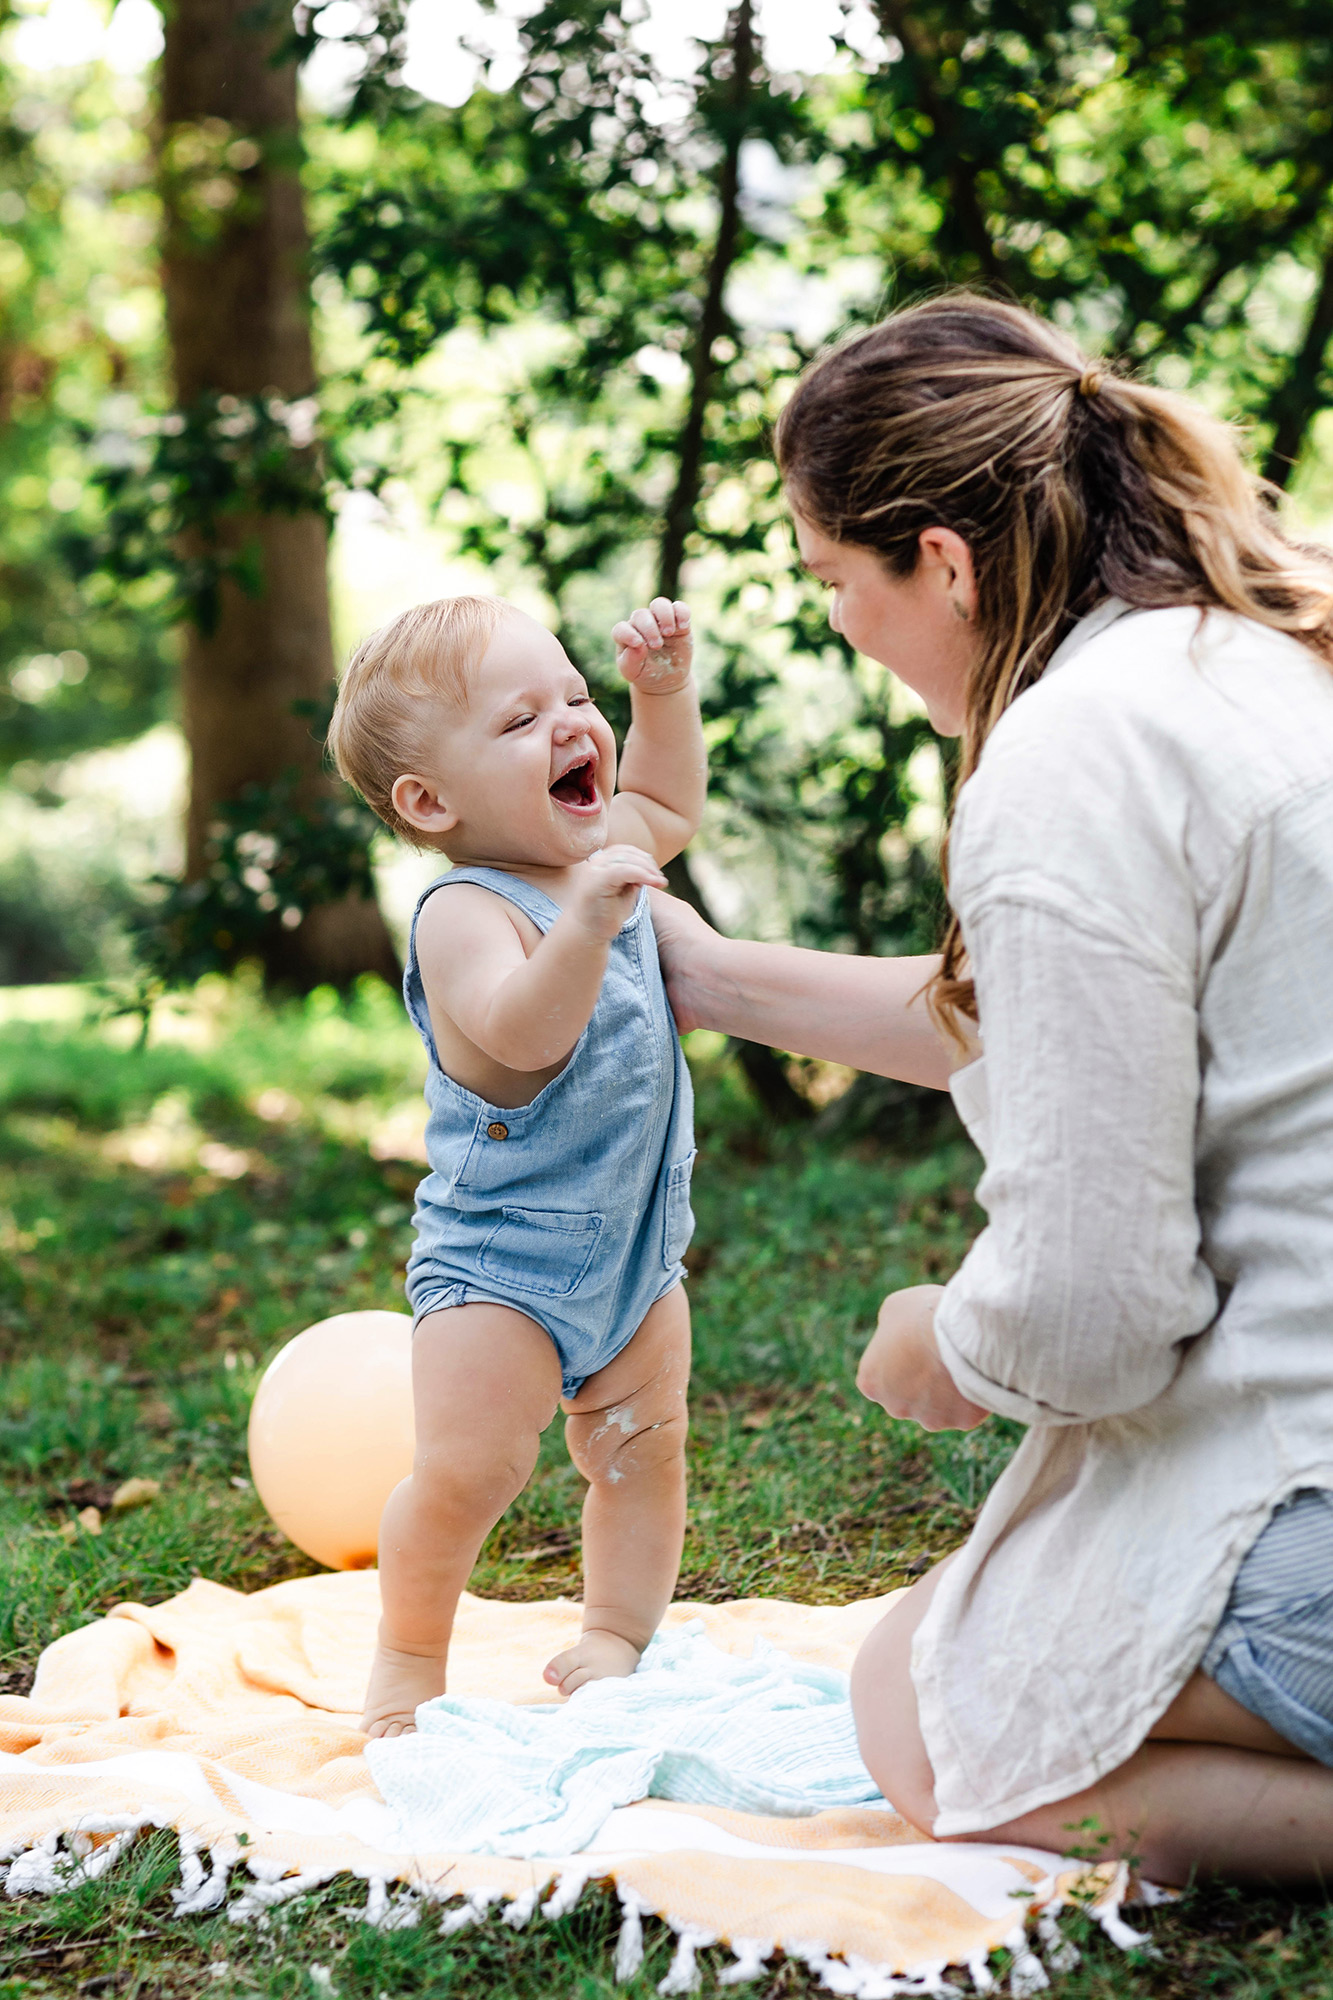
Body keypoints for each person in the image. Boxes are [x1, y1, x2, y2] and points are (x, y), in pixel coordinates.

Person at [649, 293, 1333, 1884]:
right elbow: (1075, 1035)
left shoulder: (1067, 758)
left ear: (942, 563)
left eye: (834, 581)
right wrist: (715, 975)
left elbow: (1091, 1315)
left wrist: (943, 1340)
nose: (841, 626)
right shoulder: (1252, 663)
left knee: (925, 1715)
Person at [327, 592, 703, 1736]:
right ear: (430, 800)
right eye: (519, 717)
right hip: (500, 1271)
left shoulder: (599, 850)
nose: (569, 724)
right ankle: (404, 1659)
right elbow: (523, 1031)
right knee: (466, 1474)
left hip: (635, 1256)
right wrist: (587, 924)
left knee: (644, 1452)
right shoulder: (464, 910)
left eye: (576, 698)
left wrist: (659, 694)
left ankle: (612, 1634)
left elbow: (671, 800)